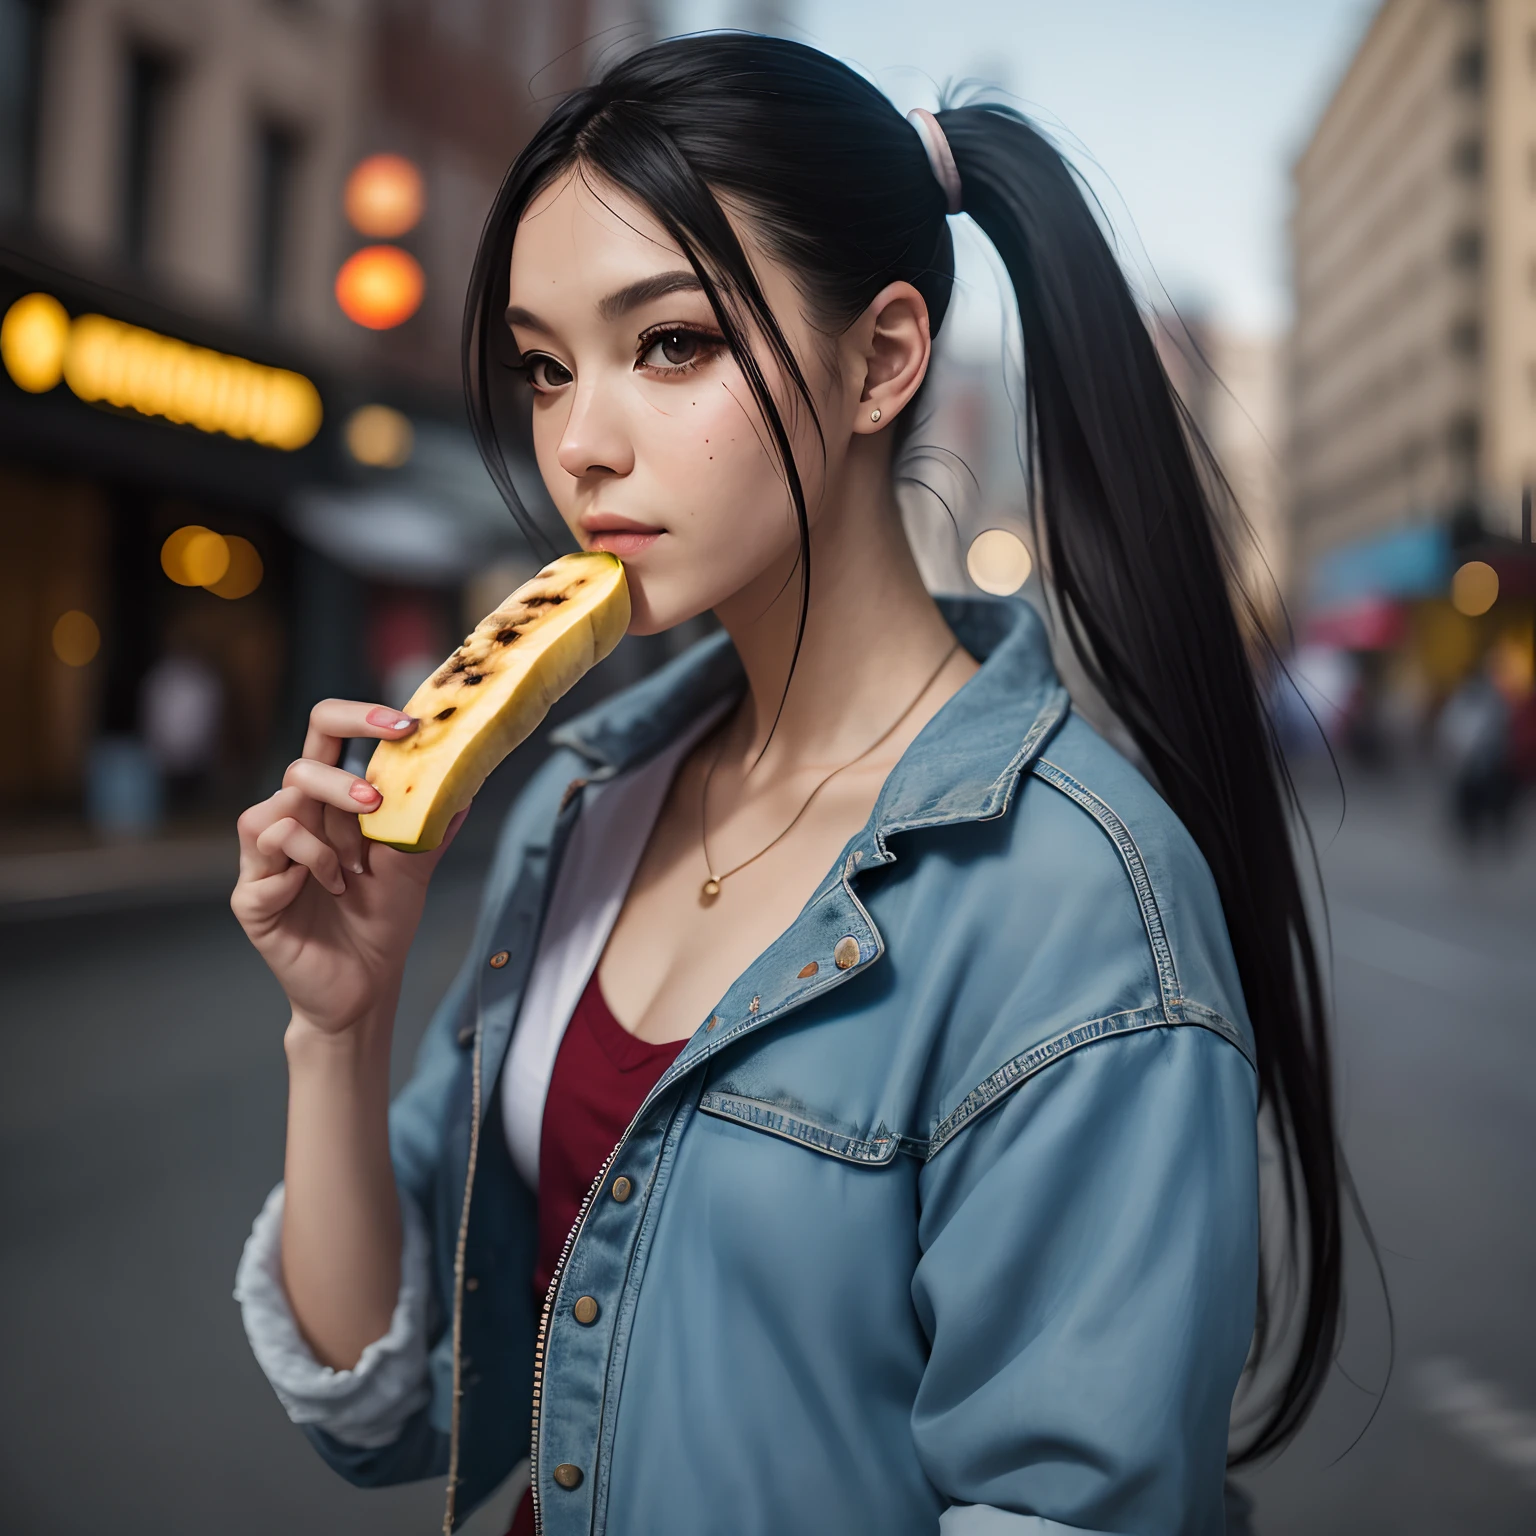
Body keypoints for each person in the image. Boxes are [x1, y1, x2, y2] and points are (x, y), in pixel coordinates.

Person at [231, 35, 1341, 1536]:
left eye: (669, 344)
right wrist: (336, 1028)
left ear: (883, 360)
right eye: (547, 367)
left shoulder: (1083, 907)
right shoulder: (580, 804)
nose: (580, 442)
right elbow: (385, 1403)